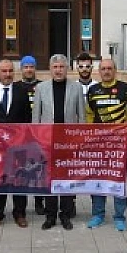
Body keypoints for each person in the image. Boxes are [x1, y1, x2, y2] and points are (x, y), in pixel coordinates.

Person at [32, 53, 87, 229]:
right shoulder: (41, 88)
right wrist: (37, 139)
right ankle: (50, 215)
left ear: (67, 69)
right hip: (47, 141)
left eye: (62, 67)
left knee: (67, 179)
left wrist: (80, 140)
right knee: (49, 178)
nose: (58, 70)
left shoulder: (76, 88)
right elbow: (36, 118)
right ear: (50, 69)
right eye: (55, 67)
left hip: (69, 142)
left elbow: (82, 117)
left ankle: (66, 214)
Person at [84, 58, 127, 231]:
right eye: (103, 68)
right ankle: (98, 214)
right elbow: (89, 115)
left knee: (118, 180)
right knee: (98, 179)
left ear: (115, 70)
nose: (106, 71)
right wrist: (90, 136)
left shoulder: (126, 89)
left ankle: (119, 216)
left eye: (109, 68)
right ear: (99, 71)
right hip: (99, 144)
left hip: (119, 145)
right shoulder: (93, 90)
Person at [0, 59, 32, 228]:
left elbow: (27, 118)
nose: (8, 74)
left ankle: (20, 213)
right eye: (4, 71)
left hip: (18, 145)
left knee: (19, 180)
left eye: (10, 71)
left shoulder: (22, 90)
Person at [18, 55, 43, 215]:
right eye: (26, 67)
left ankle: (39, 202)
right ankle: (21, 204)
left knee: (39, 169)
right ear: (21, 69)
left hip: (40, 134)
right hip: (21, 135)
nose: (28, 70)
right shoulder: (16, 86)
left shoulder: (43, 86)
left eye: (31, 67)